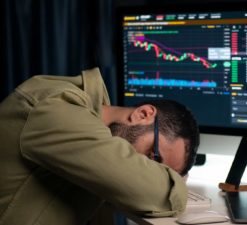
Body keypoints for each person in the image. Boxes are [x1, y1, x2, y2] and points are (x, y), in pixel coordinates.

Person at [0, 68, 200, 225]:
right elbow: (154, 193)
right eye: (153, 157)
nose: (146, 169)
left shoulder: (94, 136)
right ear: (143, 114)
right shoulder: (55, 109)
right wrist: (178, 186)